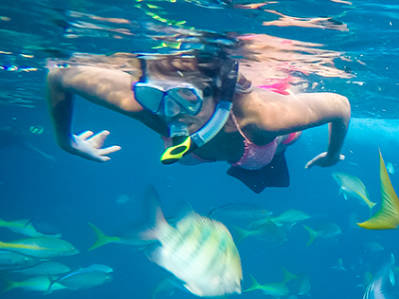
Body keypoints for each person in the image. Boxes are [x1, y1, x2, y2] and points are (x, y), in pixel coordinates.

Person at [46, 50, 351, 193]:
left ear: (216, 94)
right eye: (155, 95)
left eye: (186, 98)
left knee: (265, 180)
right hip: (211, 151)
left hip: (266, 151)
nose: (170, 112)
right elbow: (59, 75)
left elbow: (340, 105)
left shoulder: (262, 117)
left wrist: (333, 155)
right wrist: (67, 142)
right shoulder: (143, 104)